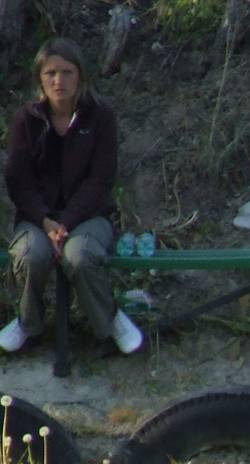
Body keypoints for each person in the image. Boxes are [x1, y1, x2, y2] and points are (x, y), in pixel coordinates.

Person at [2, 37, 142, 355]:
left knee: (79, 255)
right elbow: (18, 181)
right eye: (50, 73)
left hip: (89, 217)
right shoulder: (26, 120)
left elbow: (101, 180)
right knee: (30, 254)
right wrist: (45, 221)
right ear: (40, 78)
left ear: (80, 76)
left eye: (66, 72)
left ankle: (109, 321)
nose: (58, 80)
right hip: (37, 219)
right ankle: (28, 324)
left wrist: (65, 222)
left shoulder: (101, 117)